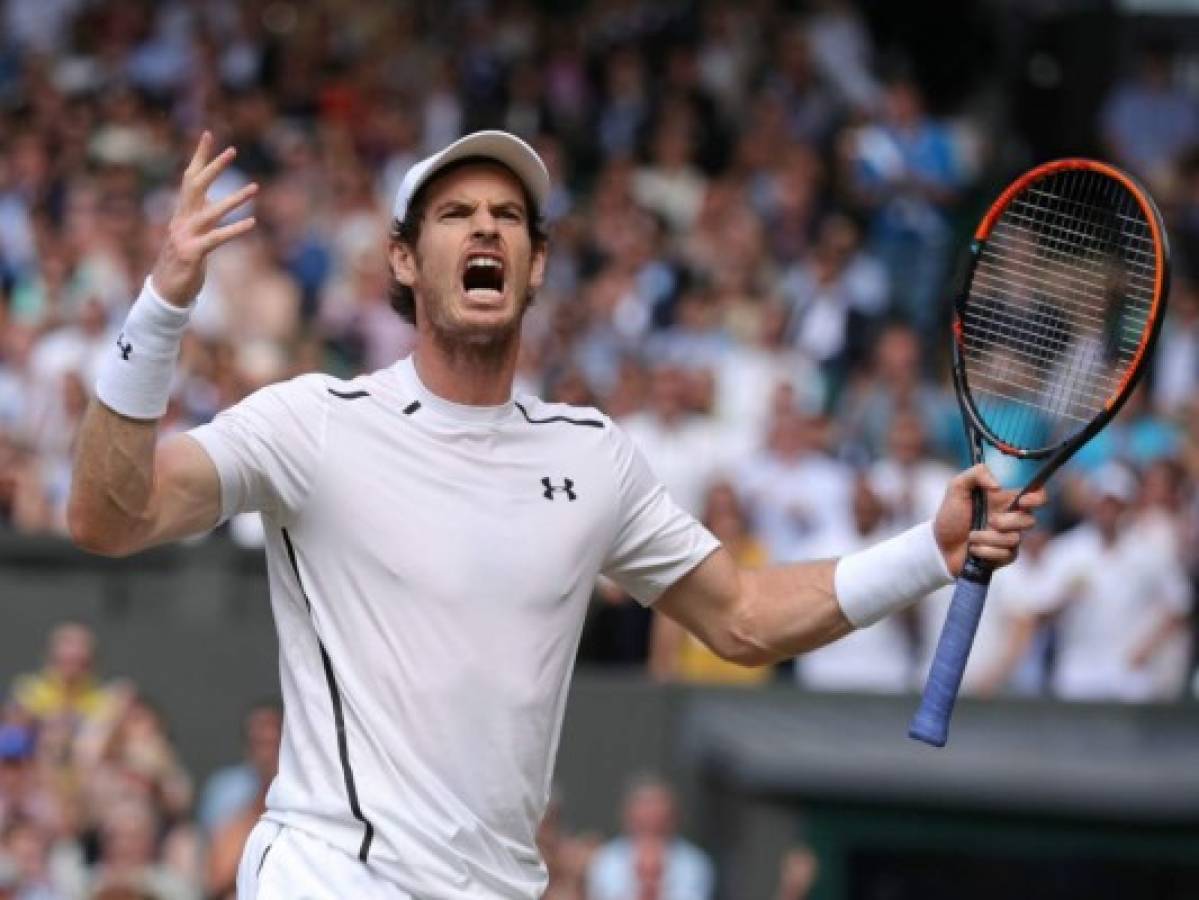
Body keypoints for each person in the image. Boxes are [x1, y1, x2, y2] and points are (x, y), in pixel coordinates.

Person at [67, 130, 1041, 898]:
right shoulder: (312, 423)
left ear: (535, 267)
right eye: (454, 214)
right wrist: (161, 307)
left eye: (507, 217)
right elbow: (109, 519)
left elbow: (742, 617)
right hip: (330, 875)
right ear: (404, 261)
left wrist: (930, 548)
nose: (485, 230)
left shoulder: (592, 456)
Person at [586, 776, 712, 900]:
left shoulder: (693, 862)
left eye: (656, 807)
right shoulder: (607, 858)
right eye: (645, 807)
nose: (651, 815)